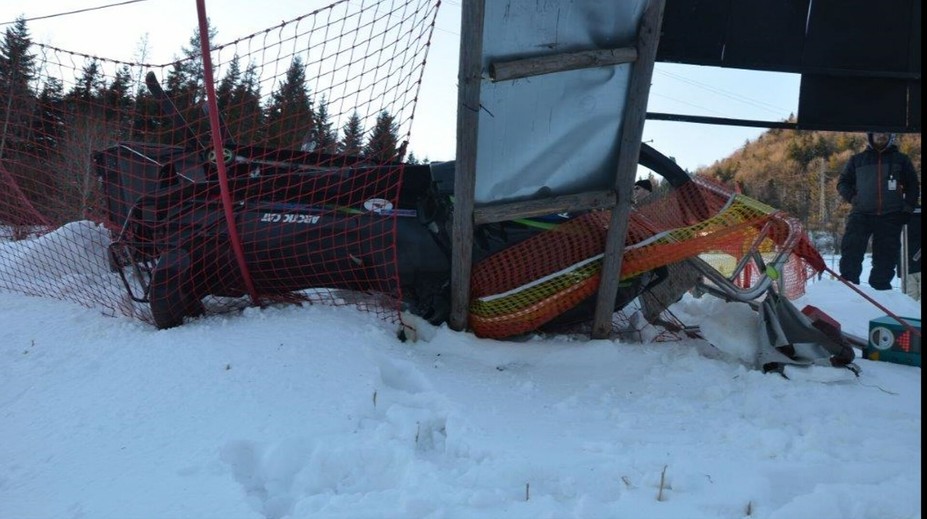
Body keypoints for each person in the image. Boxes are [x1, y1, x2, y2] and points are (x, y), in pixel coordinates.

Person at [837, 132, 919, 290]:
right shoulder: (857, 160)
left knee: (886, 258)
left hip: (891, 216)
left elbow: (913, 186)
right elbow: (842, 183)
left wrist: (907, 209)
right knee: (851, 251)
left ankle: (881, 291)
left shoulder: (901, 160)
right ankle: (848, 289)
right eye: (877, 133)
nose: (881, 136)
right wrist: (854, 198)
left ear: (891, 137)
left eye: (885, 134)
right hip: (861, 214)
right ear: (870, 136)